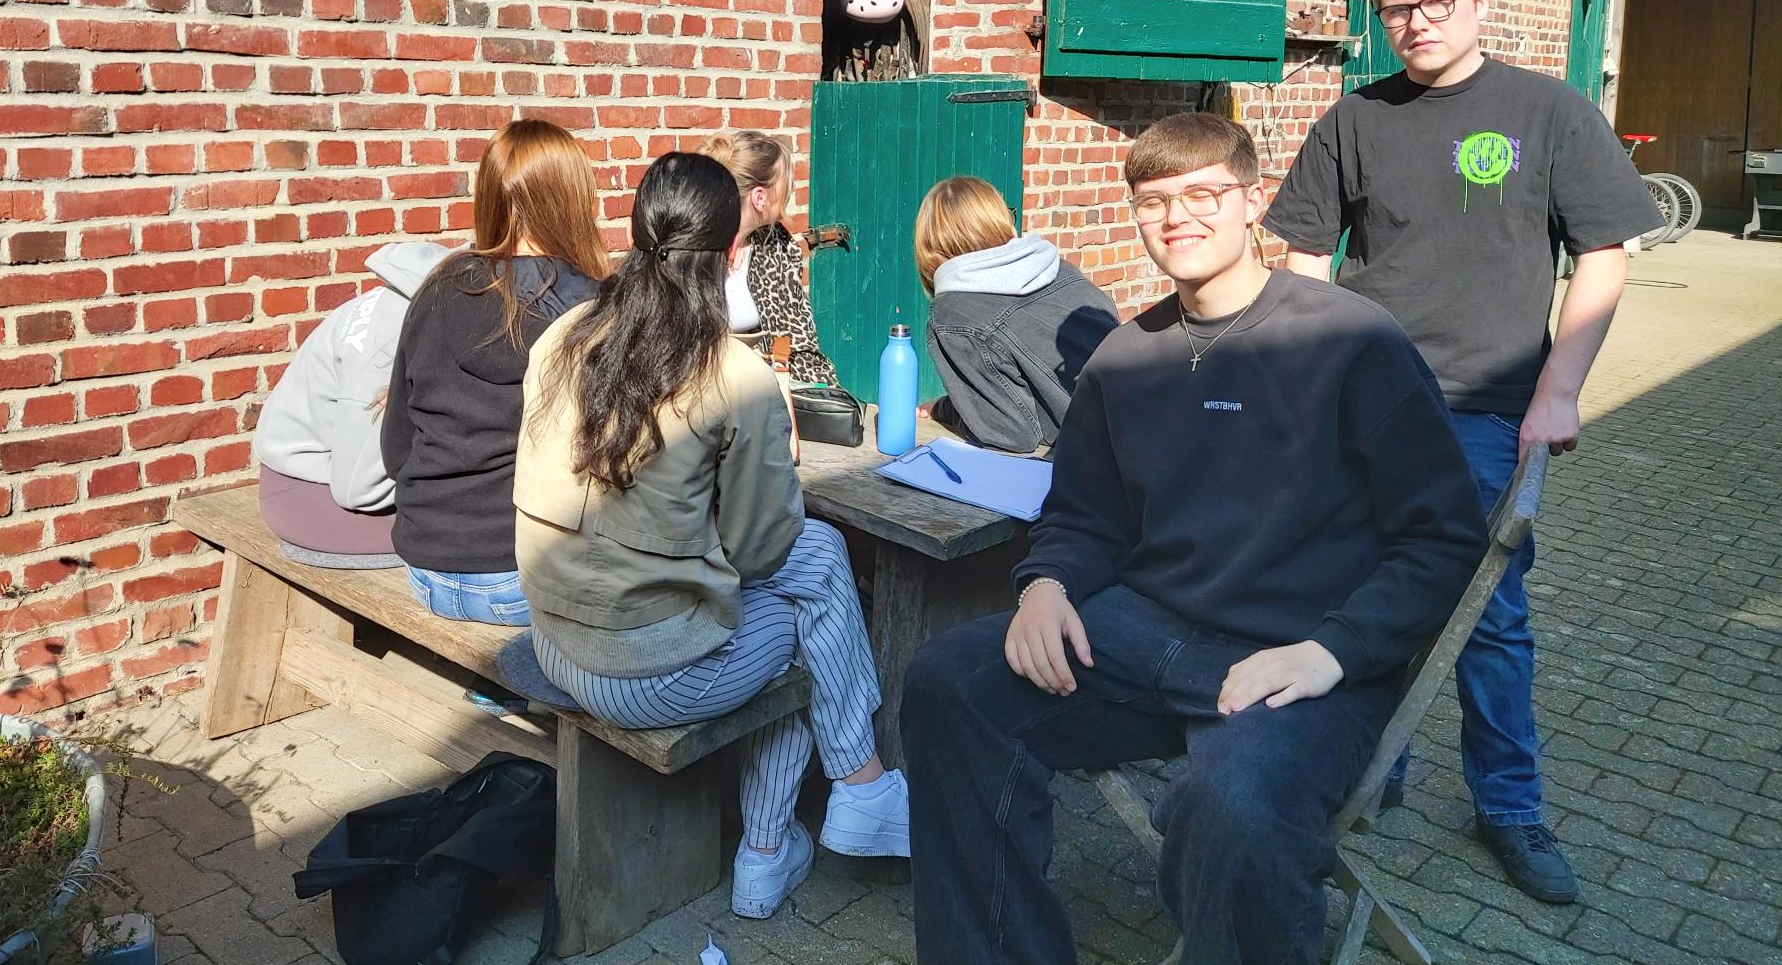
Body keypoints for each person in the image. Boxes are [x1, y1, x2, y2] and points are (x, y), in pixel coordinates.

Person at [901, 112, 1486, 965]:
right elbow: (1083, 513)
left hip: (1296, 654)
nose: (1177, 217)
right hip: (1142, 636)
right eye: (1154, 201)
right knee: (949, 681)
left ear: (1252, 201)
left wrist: (1334, 651)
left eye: (1204, 194)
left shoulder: (1350, 340)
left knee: (1235, 809)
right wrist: (1046, 585)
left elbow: (1443, 537)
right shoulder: (1124, 358)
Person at [1264, 0, 1661, 905]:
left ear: (1478, 2)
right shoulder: (1354, 118)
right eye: (1397, 9)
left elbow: (1603, 255)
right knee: (1357, 593)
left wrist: (1558, 389)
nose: (1418, 23)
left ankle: (1509, 807)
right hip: (1367, 402)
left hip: (1488, 408)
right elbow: (1304, 258)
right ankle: (1373, 771)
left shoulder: (1549, 111)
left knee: (1486, 617)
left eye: (1438, 2)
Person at [514, 152, 909, 920]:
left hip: (552, 636)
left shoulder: (562, 335)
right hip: (642, 674)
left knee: (818, 571)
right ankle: (788, 837)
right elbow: (764, 549)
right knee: (813, 614)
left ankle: (851, 798)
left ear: (636, 232)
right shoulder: (734, 374)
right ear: (732, 249)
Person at [380, 119, 608, 624]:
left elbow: (396, 445)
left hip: (425, 565)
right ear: (575, 200)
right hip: (521, 574)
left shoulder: (438, 287)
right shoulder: (592, 308)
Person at [253, 241, 454, 568]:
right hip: (317, 499)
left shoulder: (412, 303)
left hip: (318, 480)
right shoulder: (388, 340)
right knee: (491, 536)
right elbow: (358, 490)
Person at [914, 175, 1120, 452]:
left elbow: (1012, 435)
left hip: (1097, 459)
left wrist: (948, 413)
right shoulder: (1058, 268)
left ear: (930, 247)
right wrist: (950, 406)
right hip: (1144, 427)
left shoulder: (953, 313)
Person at [698, 129, 837, 385]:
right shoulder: (692, 249)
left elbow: (799, 342)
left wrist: (828, 392)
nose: (792, 188)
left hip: (757, 389)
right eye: (786, 182)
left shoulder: (777, 245)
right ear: (759, 197)